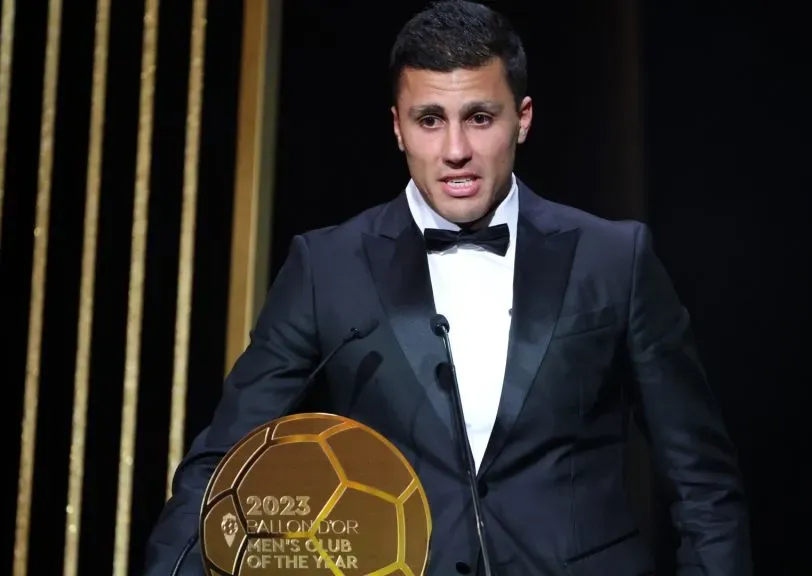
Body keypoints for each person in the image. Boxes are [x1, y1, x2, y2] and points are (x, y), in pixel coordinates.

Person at [143, 1, 752, 574]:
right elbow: (223, 467)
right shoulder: (326, 266)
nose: (456, 149)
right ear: (398, 128)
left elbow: (702, 482)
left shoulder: (613, 258)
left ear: (523, 119)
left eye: (479, 118)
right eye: (430, 120)